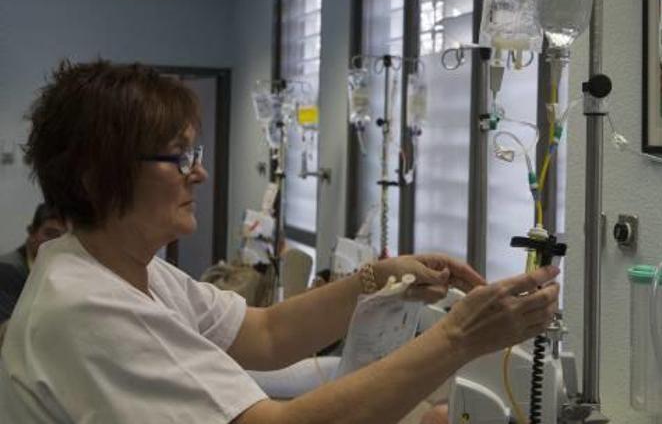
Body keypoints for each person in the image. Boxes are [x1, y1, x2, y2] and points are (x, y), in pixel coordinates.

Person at [0, 60, 560, 424]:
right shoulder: (86, 309)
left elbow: (264, 334)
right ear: (100, 177)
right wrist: (458, 338)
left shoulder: (124, 269)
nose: (200, 175)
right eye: (180, 157)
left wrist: (378, 279)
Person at [0, 203, 66, 323]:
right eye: (50, 234)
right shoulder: (6, 269)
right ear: (32, 233)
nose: (57, 243)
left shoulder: (57, 268)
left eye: (63, 238)